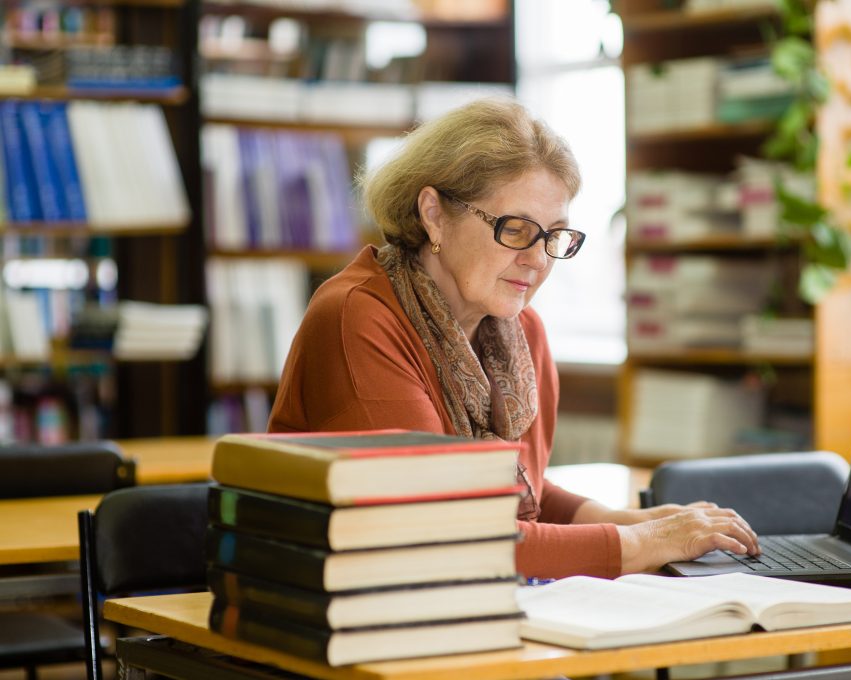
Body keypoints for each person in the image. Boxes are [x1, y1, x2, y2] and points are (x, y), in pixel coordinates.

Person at [268, 98, 759, 579]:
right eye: (516, 229)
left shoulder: (522, 333)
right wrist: (642, 543)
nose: (539, 260)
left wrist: (630, 520)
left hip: (470, 605)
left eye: (554, 236)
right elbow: (447, 531)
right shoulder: (358, 317)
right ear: (434, 213)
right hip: (347, 619)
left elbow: (522, 495)